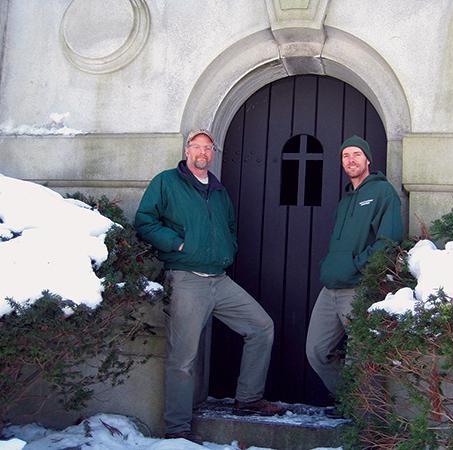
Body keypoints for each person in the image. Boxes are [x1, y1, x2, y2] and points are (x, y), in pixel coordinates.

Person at [135, 130, 283, 440]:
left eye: (208, 147)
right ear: (187, 150)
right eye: (197, 146)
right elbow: (145, 221)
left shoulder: (218, 190)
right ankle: (177, 430)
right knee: (183, 358)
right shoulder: (166, 182)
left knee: (261, 326)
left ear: (212, 153)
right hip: (187, 280)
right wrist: (177, 245)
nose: (203, 152)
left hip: (220, 279)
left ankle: (248, 399)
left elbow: (228, 226)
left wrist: (228, 248)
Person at [306, 135, 402, 396]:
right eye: (346, 155)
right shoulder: (346, 199)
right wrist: (331, 266)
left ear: (368, 159)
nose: (351, 160)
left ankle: (365, 420)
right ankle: (349, 400)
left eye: (356, 154)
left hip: (358, 288)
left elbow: (389, 240)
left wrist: (357, 266)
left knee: (361, 356)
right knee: (316, 350)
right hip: (331, 287)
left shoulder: (383, 193)